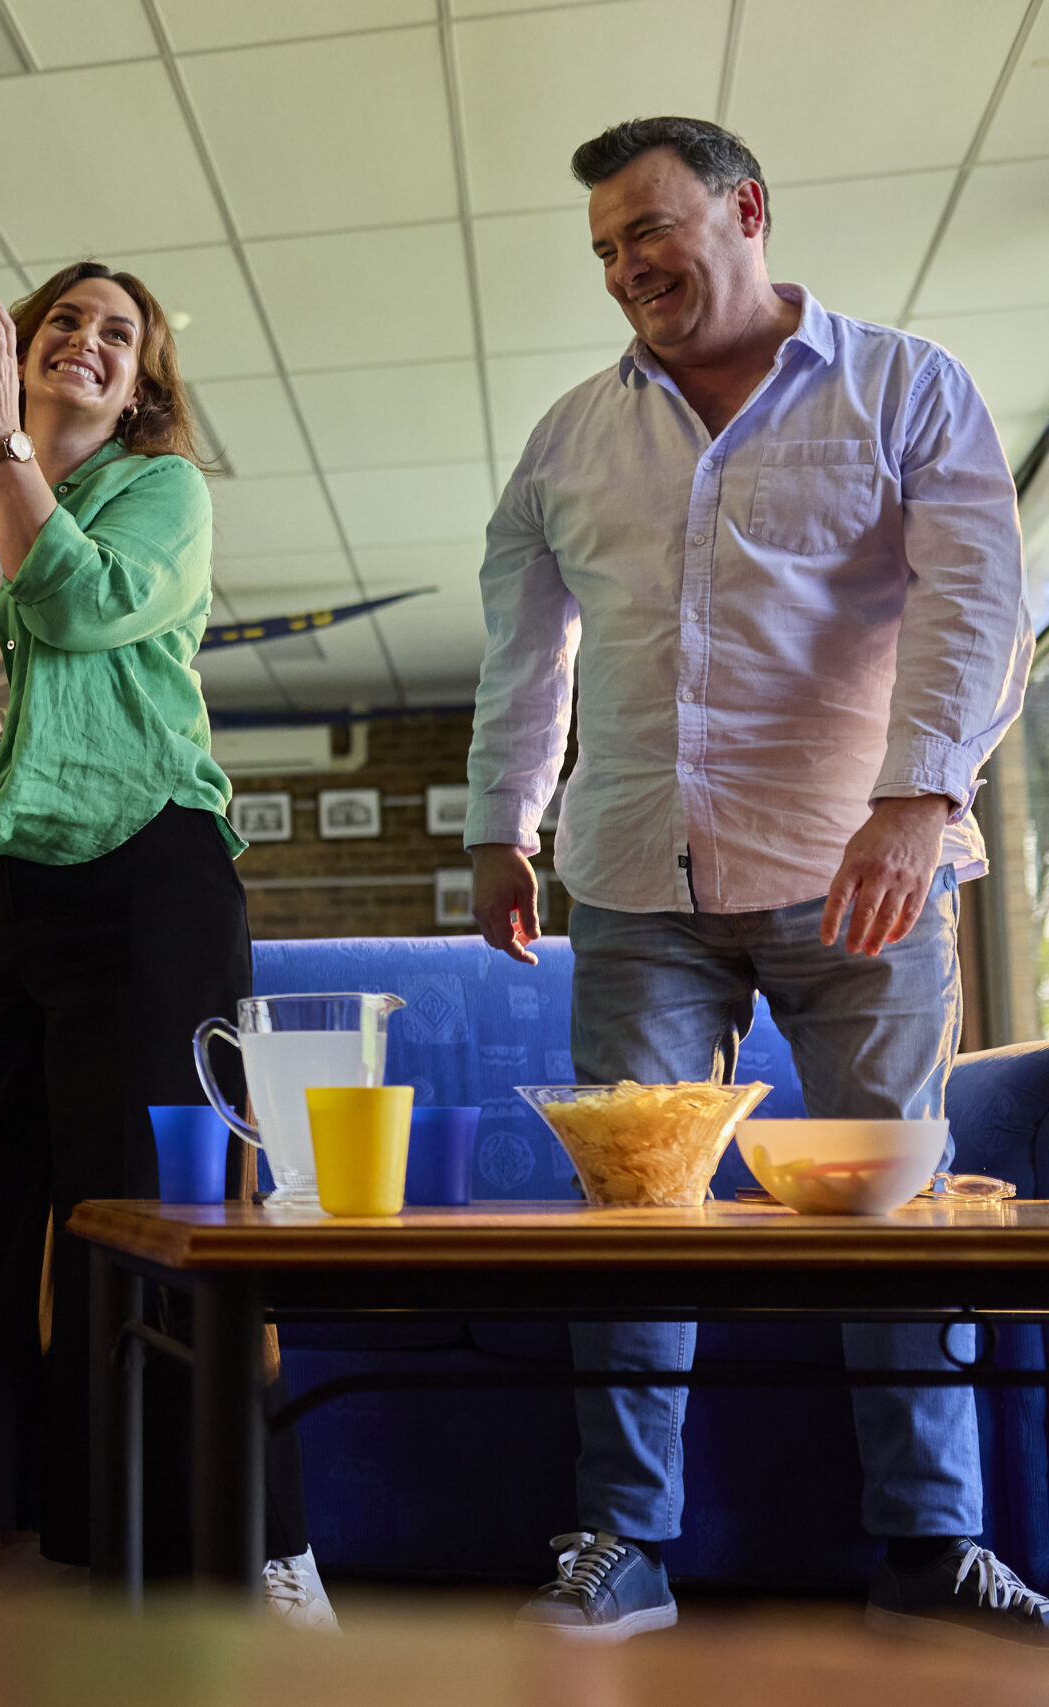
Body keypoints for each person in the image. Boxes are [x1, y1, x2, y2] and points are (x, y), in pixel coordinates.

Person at [465, 117, 1044, 1646]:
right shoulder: (570, 437)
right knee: (633, 1214)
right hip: (636, 880)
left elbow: (981, 600)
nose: (625, 266)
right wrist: (500, 823)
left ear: (746, 211)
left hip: (863, 873)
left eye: (648, 228)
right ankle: (622, 1542)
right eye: (604, 247)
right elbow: (527, 645)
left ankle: (931, 1549)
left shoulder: (903, 386)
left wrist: (920, 797)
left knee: (889, 1210)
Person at [0, 263, 329, 1626]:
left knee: (158, 1207)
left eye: (120, 333)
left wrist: (0, 443)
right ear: (25, 340)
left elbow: (76, 604)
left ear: (144, 379)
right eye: (66, 320)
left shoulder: (162, 490)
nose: (88, 342)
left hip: (133, 858)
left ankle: (246, 1543)